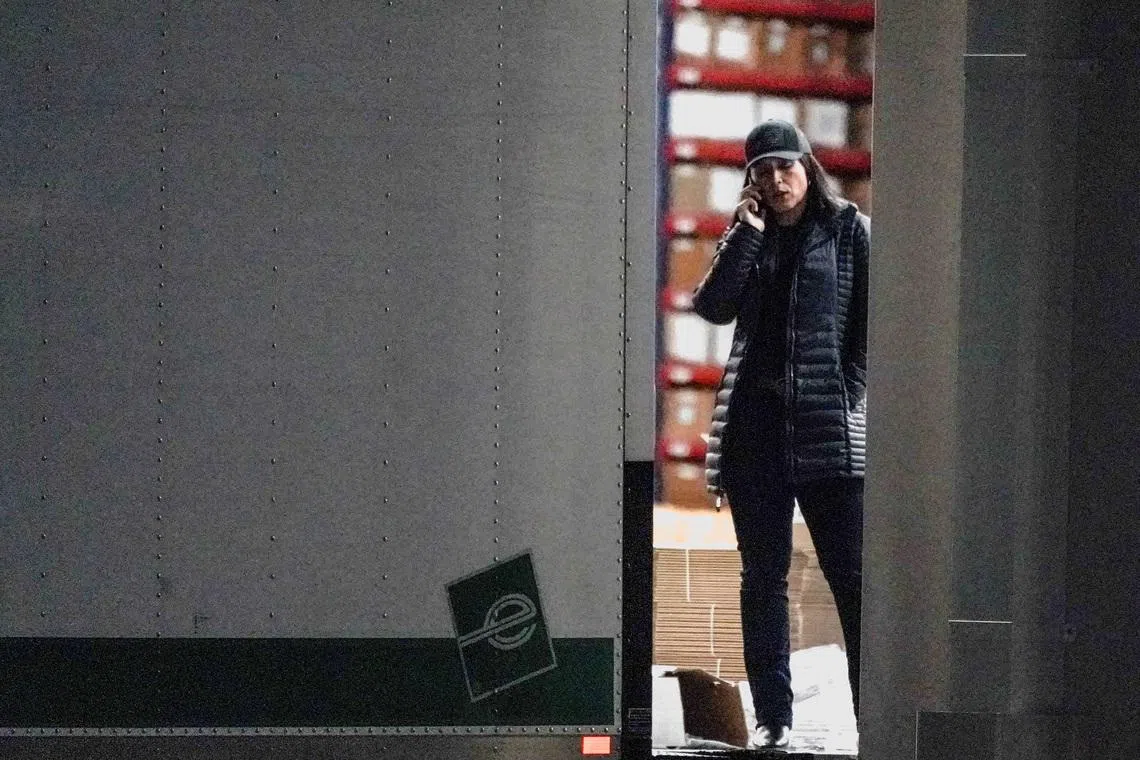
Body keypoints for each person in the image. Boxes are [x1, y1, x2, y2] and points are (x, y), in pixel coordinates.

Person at [691, 120, 869, 751]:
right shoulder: (749, 233)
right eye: (762, 170)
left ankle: (869, 720)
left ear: (807, 165)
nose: (775, 180)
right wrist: (745, 234)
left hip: (827, 435)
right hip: (755, 435)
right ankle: (774, 719)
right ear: (751, 180)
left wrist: (848, 390)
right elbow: (711, 306)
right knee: (762, 580)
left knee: (851, 578)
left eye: (784, 167)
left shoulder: (847, 228)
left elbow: (869, 326)